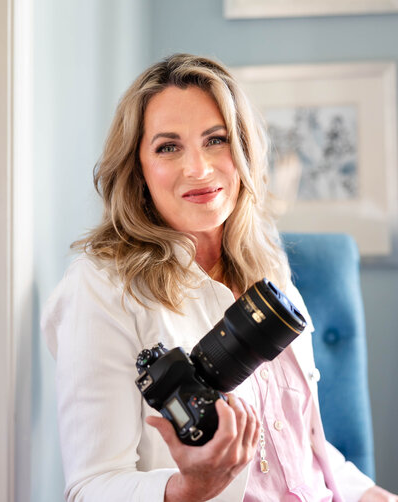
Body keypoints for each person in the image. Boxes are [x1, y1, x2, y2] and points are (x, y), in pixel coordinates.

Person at [42, 53, 397, 502]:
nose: (199, 168)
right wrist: (189, 489)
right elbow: (90, 488)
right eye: (168, 147)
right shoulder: (102, 287)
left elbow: (298, 444)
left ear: (245, 150)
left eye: (217, 139)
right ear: (138, 169)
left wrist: (370, 494)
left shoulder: (268, 270)